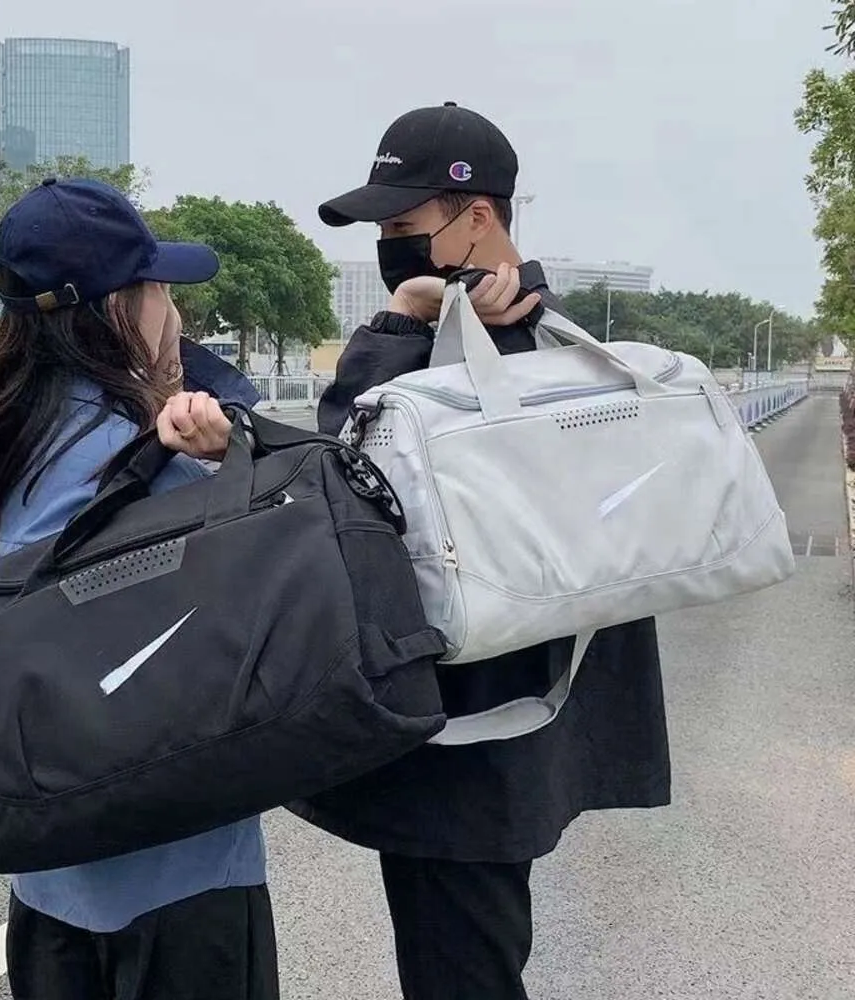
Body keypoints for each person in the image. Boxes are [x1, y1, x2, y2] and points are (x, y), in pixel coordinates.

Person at [291, 103, 672, 999]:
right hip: (479, 721)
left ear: (478, 218)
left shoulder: (538, 357)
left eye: (403, 227)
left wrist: (393, 326)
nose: (391, 248)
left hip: (480, 733)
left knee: (462, 967)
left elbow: (351, 478)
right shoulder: (493, 339)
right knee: (464, 957)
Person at [0, 177, 277, 1000]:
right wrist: (211, 452)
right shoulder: (143, 455)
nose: (175, 309)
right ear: (117, 307)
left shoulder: (6, 435)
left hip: (54, 879)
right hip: (180, 872)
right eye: (160, 288)